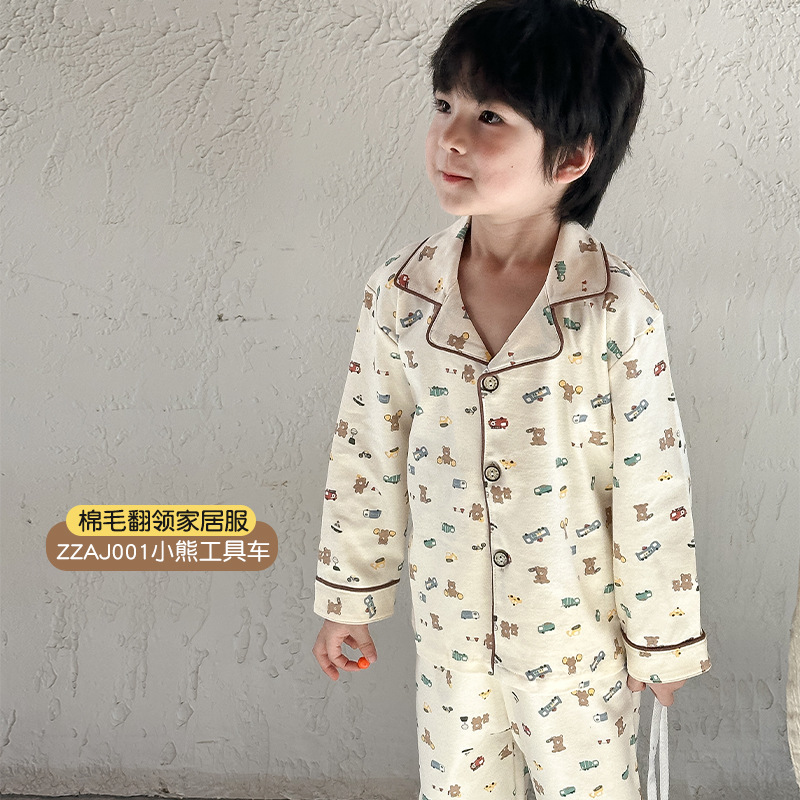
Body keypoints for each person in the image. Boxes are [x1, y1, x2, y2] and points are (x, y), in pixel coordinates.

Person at [312, 1, 712, 797]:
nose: (451, 136)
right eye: (444, 105)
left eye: (490, 116)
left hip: (579, 647)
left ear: (571, 157)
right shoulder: (401, 294)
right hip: (450, 642)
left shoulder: (614, 307)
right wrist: (349, 597)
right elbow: (366, 449)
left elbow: (651, 482)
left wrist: (662, 641)